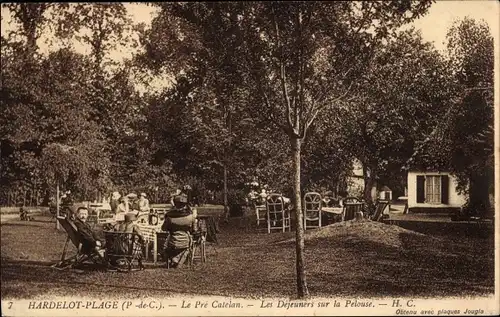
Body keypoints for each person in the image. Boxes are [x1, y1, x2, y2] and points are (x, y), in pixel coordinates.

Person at [161, 194, 196, 268]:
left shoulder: (169, 217)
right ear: (185, 205)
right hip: (185, 241)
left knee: (163, 244)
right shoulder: (191, 216)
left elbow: (163, 228)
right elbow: (194, 230)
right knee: (187, 246)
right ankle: (178, 261)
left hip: (172, 242)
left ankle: (173, 259)